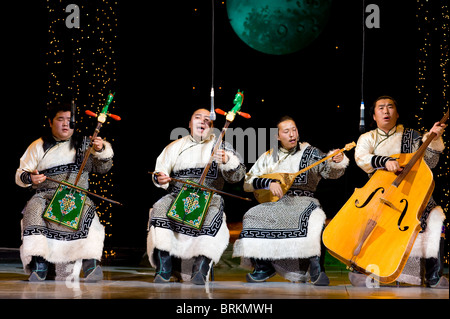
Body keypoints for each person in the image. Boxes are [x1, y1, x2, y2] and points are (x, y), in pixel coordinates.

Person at [232, 116, 349, 285]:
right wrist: (268, 183)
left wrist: (335, 161)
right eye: (286, 131)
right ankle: (263, 266)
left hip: (304, 200)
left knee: (312, 218)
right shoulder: (269, 156)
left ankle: (316, 269)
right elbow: (248, 182)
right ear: (277, 136)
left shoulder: (311, 153)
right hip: (277, 203)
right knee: (253, 215)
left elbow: (329, 172)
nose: (292, 134)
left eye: (294, 130)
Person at [353, 95, 448, 288]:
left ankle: (433, 275)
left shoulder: (412, 136)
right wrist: (385, 161)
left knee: (437, 217)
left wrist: (434, 139)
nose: (386, 111)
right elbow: (361, 158)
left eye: (390, 107)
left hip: (412, 193)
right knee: (362, 217)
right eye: (381, 108)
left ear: (397, 113)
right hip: (380, 193)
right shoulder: (367, 138)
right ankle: (361, 269)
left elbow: (429, 163)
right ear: (373, 115)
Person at [15, 102, 114, 282]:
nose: (66, 124)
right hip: (46, 195)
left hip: (76, 196)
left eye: (70, 120)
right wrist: (31, 178)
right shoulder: (38, 145)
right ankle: (39, 266)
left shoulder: (86, 143)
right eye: (60, 119)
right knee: (33, 210)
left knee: (88, 215)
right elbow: (21, 173)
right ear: (50, 121)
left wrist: (100, 150)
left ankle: (90, 266)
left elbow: (102, 168)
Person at [148, 108, 246, 285]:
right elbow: (159, 173)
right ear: (189, 123)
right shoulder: (174, 146)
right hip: (178, 196)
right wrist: (160, 177)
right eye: (197, 118)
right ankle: (164, 267)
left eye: (207, 120)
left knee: (212, 215)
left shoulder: (221, 146)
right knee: (160, 208)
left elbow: (238, 176)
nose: (202, 122)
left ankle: (200, 268)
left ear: (212, 126)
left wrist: (225, 160)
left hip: (209, 198)